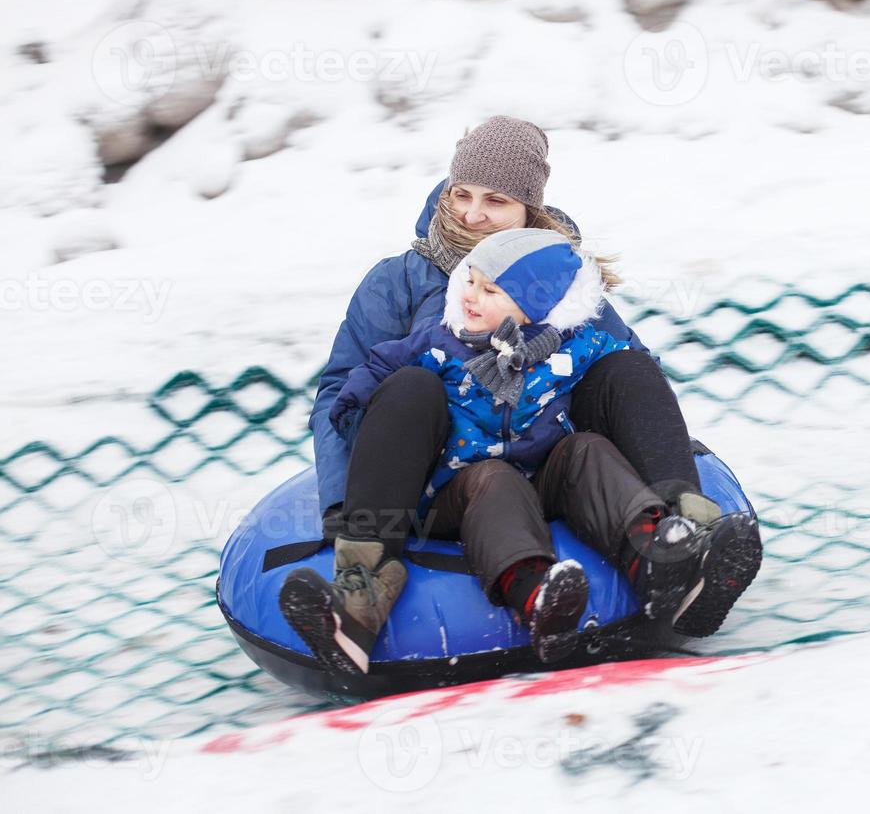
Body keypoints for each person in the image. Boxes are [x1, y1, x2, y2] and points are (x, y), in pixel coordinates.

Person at [303, 117, 761, 663]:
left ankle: (682, 542)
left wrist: (653, 442)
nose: (472, 214)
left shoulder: (559, 279)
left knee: (627, 370)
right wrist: (345, 500)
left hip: (551, 459)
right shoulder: (399, 281)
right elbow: (341, 391)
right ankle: (366, 577)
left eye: (495, 200)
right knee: (412, 387)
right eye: (461, 194)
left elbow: (629, 371)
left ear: (527, 210)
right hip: (445, 478)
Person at [282, 228, 710, 666]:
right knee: (493, 480)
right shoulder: (440, 341)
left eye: (489, 290)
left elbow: (628, 366)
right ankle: (534, 597)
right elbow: (376, 367)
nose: (470, 295)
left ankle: (659, 556)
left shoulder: (573, 345)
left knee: (587, 449)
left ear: (531, 310)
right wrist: (354, 409)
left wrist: (655, 432)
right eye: (470, 281)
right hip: (458, 487)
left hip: (546, 477)